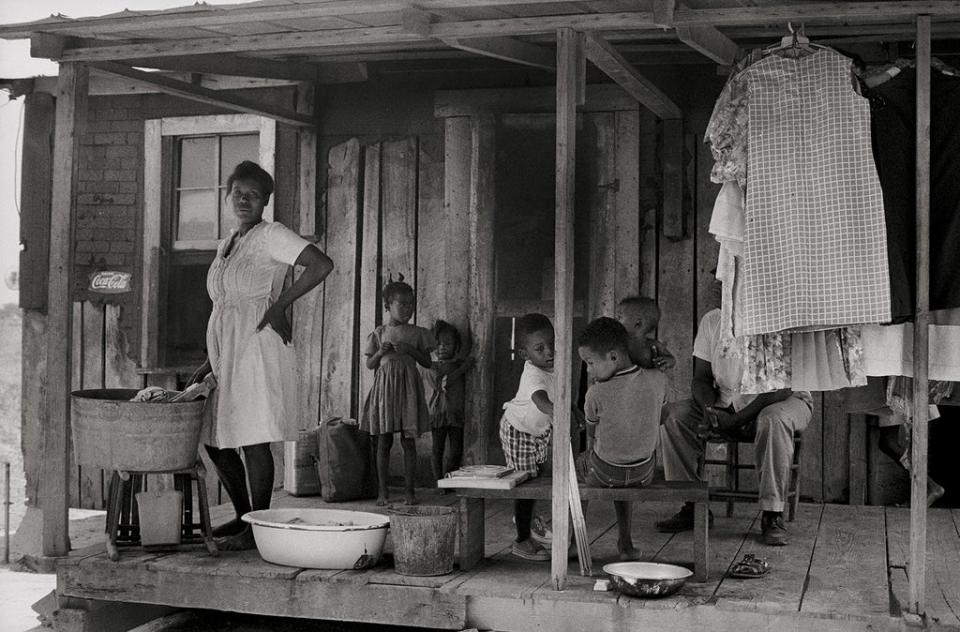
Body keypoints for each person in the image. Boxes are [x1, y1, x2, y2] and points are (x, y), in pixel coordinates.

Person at [191, 160, 334, 551]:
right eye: (238, 193)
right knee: (217, 439)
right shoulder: (227, 244)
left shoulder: (272, 235)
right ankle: (243, 517)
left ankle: (258, 527)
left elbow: (320, 265)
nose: (244, 200)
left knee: (253, 437)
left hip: (256, 344)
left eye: (253, 195)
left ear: (265, 201)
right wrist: (209, 360)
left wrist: (279, 306)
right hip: (227, 349)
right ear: (227, 195)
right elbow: (223, 306)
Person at [658, 307, 812, 546]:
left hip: (783, 400)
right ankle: (692, 505)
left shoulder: (781, 315)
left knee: (773, 419)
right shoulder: (713, 320)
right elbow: (701, 377)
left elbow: (780, 387)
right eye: (721, 278)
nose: (723, 284)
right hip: (726, 400)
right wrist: (710, 411)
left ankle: (772, 514)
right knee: (674, 416)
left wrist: (736, 420)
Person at [577, 317, 667, 561]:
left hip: (606, 473)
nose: (588, 370)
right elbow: (662, 416)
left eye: (590, 362)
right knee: (624, 462)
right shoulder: (658, 379)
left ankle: (574, 541)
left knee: (579, 466)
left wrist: (588, 453)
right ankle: (625, 544)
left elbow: (592, 435)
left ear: (614, 357)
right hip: (644, 474)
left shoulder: (595, 393)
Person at [361, 278, 435, 506]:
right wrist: (379, 353)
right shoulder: (379, 333)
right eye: (401, 304)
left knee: (408, 441)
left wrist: (410, 350)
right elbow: (370, 365)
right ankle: (383, 492)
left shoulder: (418, 333)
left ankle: (409, 491)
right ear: (387, 306)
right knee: (383, 441)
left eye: (410, 304)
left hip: (408, 391)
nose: (407, 309)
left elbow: (427, 363)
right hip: (385, 393)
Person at [499, 313, 556, 561]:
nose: (549, 351)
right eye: (540, 348)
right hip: (518, 431)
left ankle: (529, 520)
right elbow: (542, 402)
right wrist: (561, 412)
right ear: (525, 355)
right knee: (525, 484)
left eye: (552, 343)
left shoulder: (554, 364)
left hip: (539, 431)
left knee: (539, 478)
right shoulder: (533, 373)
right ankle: (522, 540)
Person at [421, 319, 474, 485]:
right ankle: (439, 483)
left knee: (456, 451)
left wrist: (463, 366)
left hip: (456, 414)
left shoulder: (458, 363)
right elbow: (442, 383)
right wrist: (464, 368)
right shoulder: (431, 366)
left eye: (447, 344)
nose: (442, 347)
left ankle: (448, 481)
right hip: (438, 414)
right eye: (438, 344)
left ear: (456, 346)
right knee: (437, 449)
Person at [617, 296, 676, 371]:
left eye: (619, 317)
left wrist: (666, 361)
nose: (615, 320)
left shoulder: (652, 345)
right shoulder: (618, 344)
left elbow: (672, 359)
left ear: (638, 323)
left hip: (647, 381)